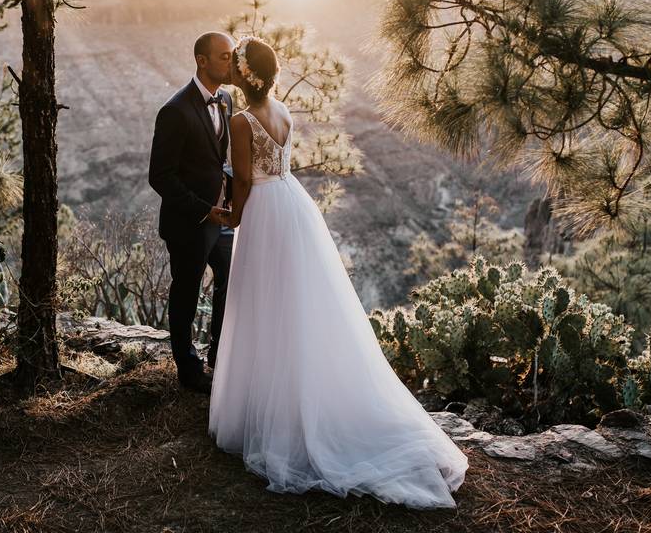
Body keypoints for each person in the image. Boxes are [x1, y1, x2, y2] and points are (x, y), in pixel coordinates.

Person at [207, 36, 468, 509]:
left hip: (264, 212)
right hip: (294, 206)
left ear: (246, 75)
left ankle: (272, 412)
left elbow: (244, 181)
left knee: (262, 305)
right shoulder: (283, 111)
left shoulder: (243, 121)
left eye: (236, 65)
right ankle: (291, 398)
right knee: (297, 305)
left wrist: (231, 218)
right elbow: (277, 166)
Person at [148, 32, 235, 393]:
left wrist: (231, 198)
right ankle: (188, 370)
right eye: (225, 56)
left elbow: (219, 162)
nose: (232, 62)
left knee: (231, 282)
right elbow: (160, 176)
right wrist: (204, 210)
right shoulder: (175, 110)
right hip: (190, 222)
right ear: (203, 60)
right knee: (186, 293)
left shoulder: (226, 99)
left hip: (222, 219)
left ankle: (220, 356)